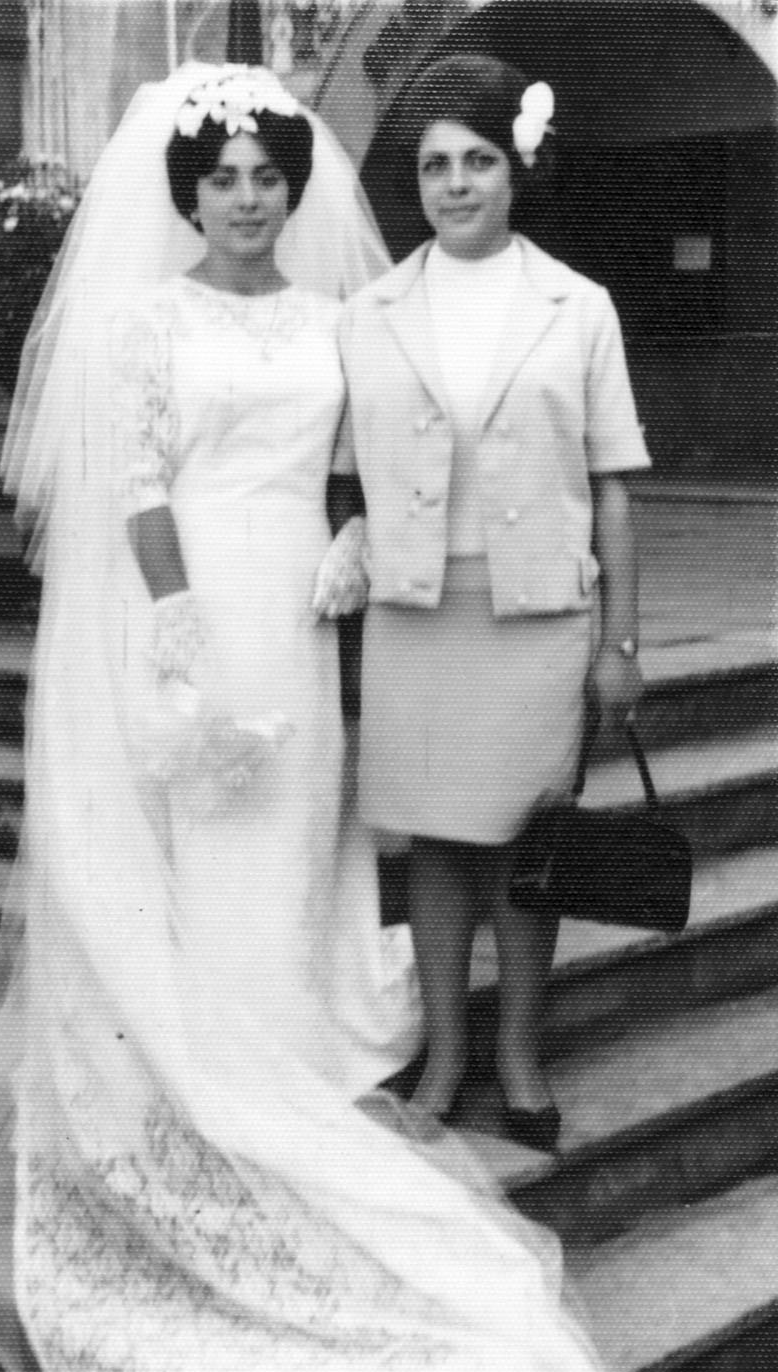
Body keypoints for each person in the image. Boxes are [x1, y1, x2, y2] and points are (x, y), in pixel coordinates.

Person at [0, 65, 604, 1372]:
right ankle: (213, 1058)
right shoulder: (147, 320)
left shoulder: (330, 316)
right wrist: (173, 622)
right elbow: (137, 483)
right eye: (222, 179)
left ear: (294, 188)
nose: (246, 198)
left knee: (295, 838)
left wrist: (351, 539)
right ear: (187, 195)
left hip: (299, 605)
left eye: (265, 176)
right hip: (194, 605)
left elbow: (369, 452)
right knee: (209, 834)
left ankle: (293, 1029)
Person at [338, 55, 650, 1150]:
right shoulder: (368, 313)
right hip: (415, 615)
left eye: (478, 160)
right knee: (431, 844)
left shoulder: (579, 307)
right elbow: (341, 478)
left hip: (539, 619)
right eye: (435, 165)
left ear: (517, 173)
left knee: (526, 845)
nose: (457, 183)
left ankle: (518, 1052)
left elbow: (613, 491)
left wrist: (621, 642)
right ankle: (445, 1055)